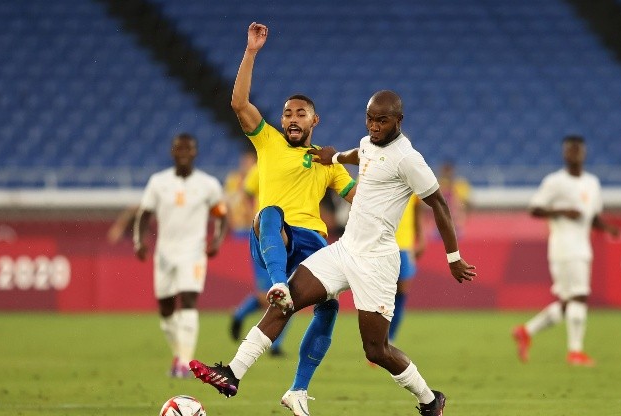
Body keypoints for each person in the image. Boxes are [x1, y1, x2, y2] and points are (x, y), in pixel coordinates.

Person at [190, 89, 476, 416]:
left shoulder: (409, 160)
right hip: (344, 250)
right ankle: (232, 374)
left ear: (399, 120)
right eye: (370, 119)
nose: (374, 126)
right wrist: (337, 157)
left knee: (376, 349)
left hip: (377, 263)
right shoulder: (369, 141)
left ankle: (430, 399)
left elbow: (438, 204)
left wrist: (453, 257)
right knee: (284, 300)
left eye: (382, 120)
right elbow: (362, 153)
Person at [202, 22, 358, 415]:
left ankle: (296, 390)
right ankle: (277, 285)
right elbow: (239, 104)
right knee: (268, 212)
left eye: (300, 114)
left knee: (330, 307)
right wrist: (251, 52)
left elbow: (362, 199)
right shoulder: (267, 140)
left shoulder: (327, 160)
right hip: (276, 235)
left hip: (314, 244)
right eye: (287, 112)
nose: (291, 118)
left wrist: (353, 159)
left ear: (314, 122)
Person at [512, 135, 618, 367]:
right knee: (579, 297)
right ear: (564, 154)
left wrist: (608, 228)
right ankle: (575, 352)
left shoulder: (592, 183)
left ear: (584, 152)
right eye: (569, 150)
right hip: (564, 247)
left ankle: (526, 331)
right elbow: (535, 208)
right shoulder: (555, 182)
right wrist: (561, 211)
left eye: (577, 149)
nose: (574, 153)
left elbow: (592, 216)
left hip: (582, 247)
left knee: (569, 301)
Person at [133, 132, 228, 378]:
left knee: (188, 300)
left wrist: (216, 240)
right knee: (165, 310)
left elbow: (221, 214)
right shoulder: (158, 182)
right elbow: (144, 213)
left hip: (193, 253)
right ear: (173, 152)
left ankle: (185, 363)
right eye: (179, 149)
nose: (184, 153)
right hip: (164, 254)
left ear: (195, 152)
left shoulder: (208, 184)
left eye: (189, 149)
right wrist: (139, 240)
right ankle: (179, 354)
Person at [229, 161, 292, 356]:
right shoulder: (261, 168)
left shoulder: (296, 165)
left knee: (289, 292)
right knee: (271, 293)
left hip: (291, 236)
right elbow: (246, 194)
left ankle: (274, 344)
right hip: (265, 236)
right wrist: (253, 219)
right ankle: (243, 316)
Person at [388, 194, 426, 344]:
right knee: (380, 291)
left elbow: (417, 209)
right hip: (380, 242)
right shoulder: (370, 172)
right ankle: (376, 337)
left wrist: (421, 237)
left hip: (405, 243)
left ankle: (390, 339)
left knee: (402, 290)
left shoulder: (410, 173)